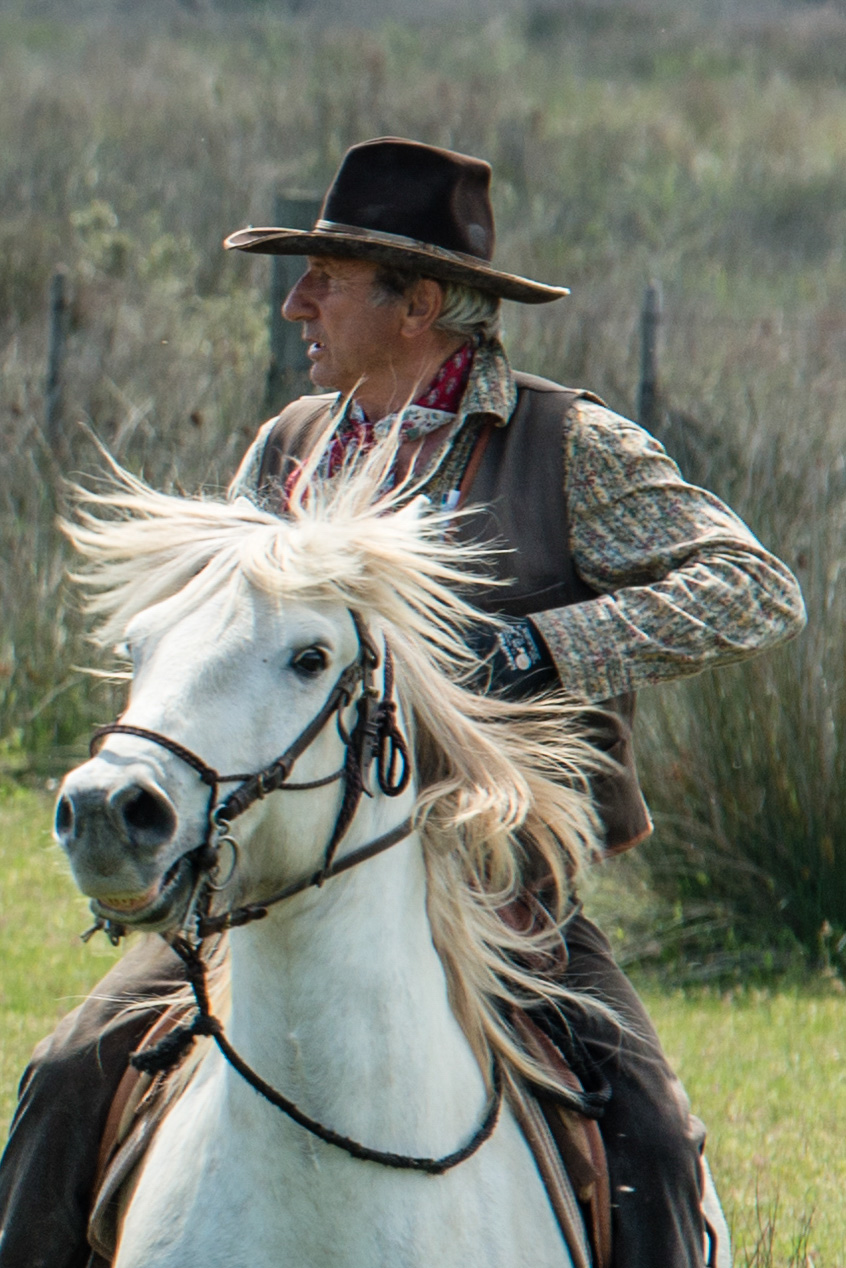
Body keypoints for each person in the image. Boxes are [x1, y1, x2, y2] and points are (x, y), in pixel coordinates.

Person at [0, 138, 805, 1268]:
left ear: (420, 303)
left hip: (502, 891)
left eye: (326, 279)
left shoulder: (568, 447)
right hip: (270, 879)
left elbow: (755, 589)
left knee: (657, 1146)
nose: (297, 305)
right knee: (63, 1077)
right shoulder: (287, 447)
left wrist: (539, 644)